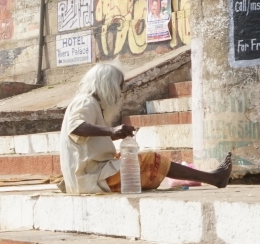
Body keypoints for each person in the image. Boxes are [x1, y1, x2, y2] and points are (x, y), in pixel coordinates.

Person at [60, 62, 232, 194]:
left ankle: (212, 177)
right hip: (91, 179)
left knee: (132, 157)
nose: (120, 92)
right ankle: (214, 178)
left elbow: (90, 137)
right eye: (119, 87)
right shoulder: (85, 101)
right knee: (149, 159)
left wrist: (116, 134)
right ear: (108, 86)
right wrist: (112, 131)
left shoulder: (92, 104)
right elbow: (76, 128)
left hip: (92, 174)